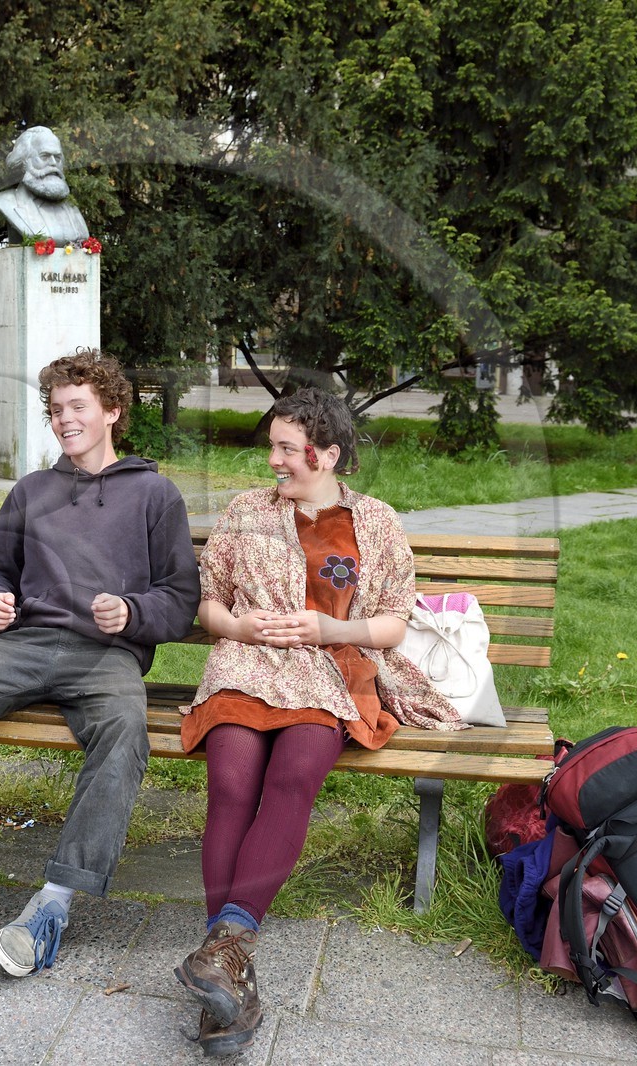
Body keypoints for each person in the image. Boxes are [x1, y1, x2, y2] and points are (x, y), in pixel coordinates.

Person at [172, 388, 464, 1055]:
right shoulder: (247, 511)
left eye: (288, 448)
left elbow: (393, 620)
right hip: (246, 665)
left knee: (297, 771)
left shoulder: (377, 523)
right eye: (271, 445)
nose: (273, 460)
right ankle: (230, 962)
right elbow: (208, 602)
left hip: (330, 669)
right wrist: (240, 624)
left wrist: (333, 625)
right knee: (233, 778)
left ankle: (224, 956)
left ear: (329, 454)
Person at [0, 350, 199, 977]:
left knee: (125, 731)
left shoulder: (154, 494)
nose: (64, 420)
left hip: (106, 656)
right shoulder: (33, 491)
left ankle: (54, 902)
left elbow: (180, 600)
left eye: (78, 407)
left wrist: (132, 613)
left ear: (113, 412)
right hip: (26, 644)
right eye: (56, 409)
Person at [0, 125, 90, 244]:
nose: (53, 163)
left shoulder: (72, 209)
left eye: (57, 157)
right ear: (24, 161)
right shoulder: (5, 202)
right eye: (45, 156)